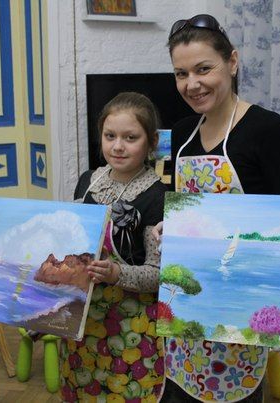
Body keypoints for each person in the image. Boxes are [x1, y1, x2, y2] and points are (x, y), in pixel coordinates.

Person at [157, 14, 280, 402]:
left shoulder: (268, 130)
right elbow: (178, 205)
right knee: (179, 391)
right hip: (187, 301)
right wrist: (166, 225)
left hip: (240, 302)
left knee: (231, 393)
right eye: (181, 74)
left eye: (203, 69)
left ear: (232, 62)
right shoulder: (180, 133)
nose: (192, 84)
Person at [60, 92, 167, 402]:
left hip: (130, 326)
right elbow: (69, 241)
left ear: (151, 142)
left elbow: (157, 274)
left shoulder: (157, 197)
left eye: (130, 137)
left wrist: (115, 273)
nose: (118, 146)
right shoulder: (87, 182)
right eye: (110, 136)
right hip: (83, 320)